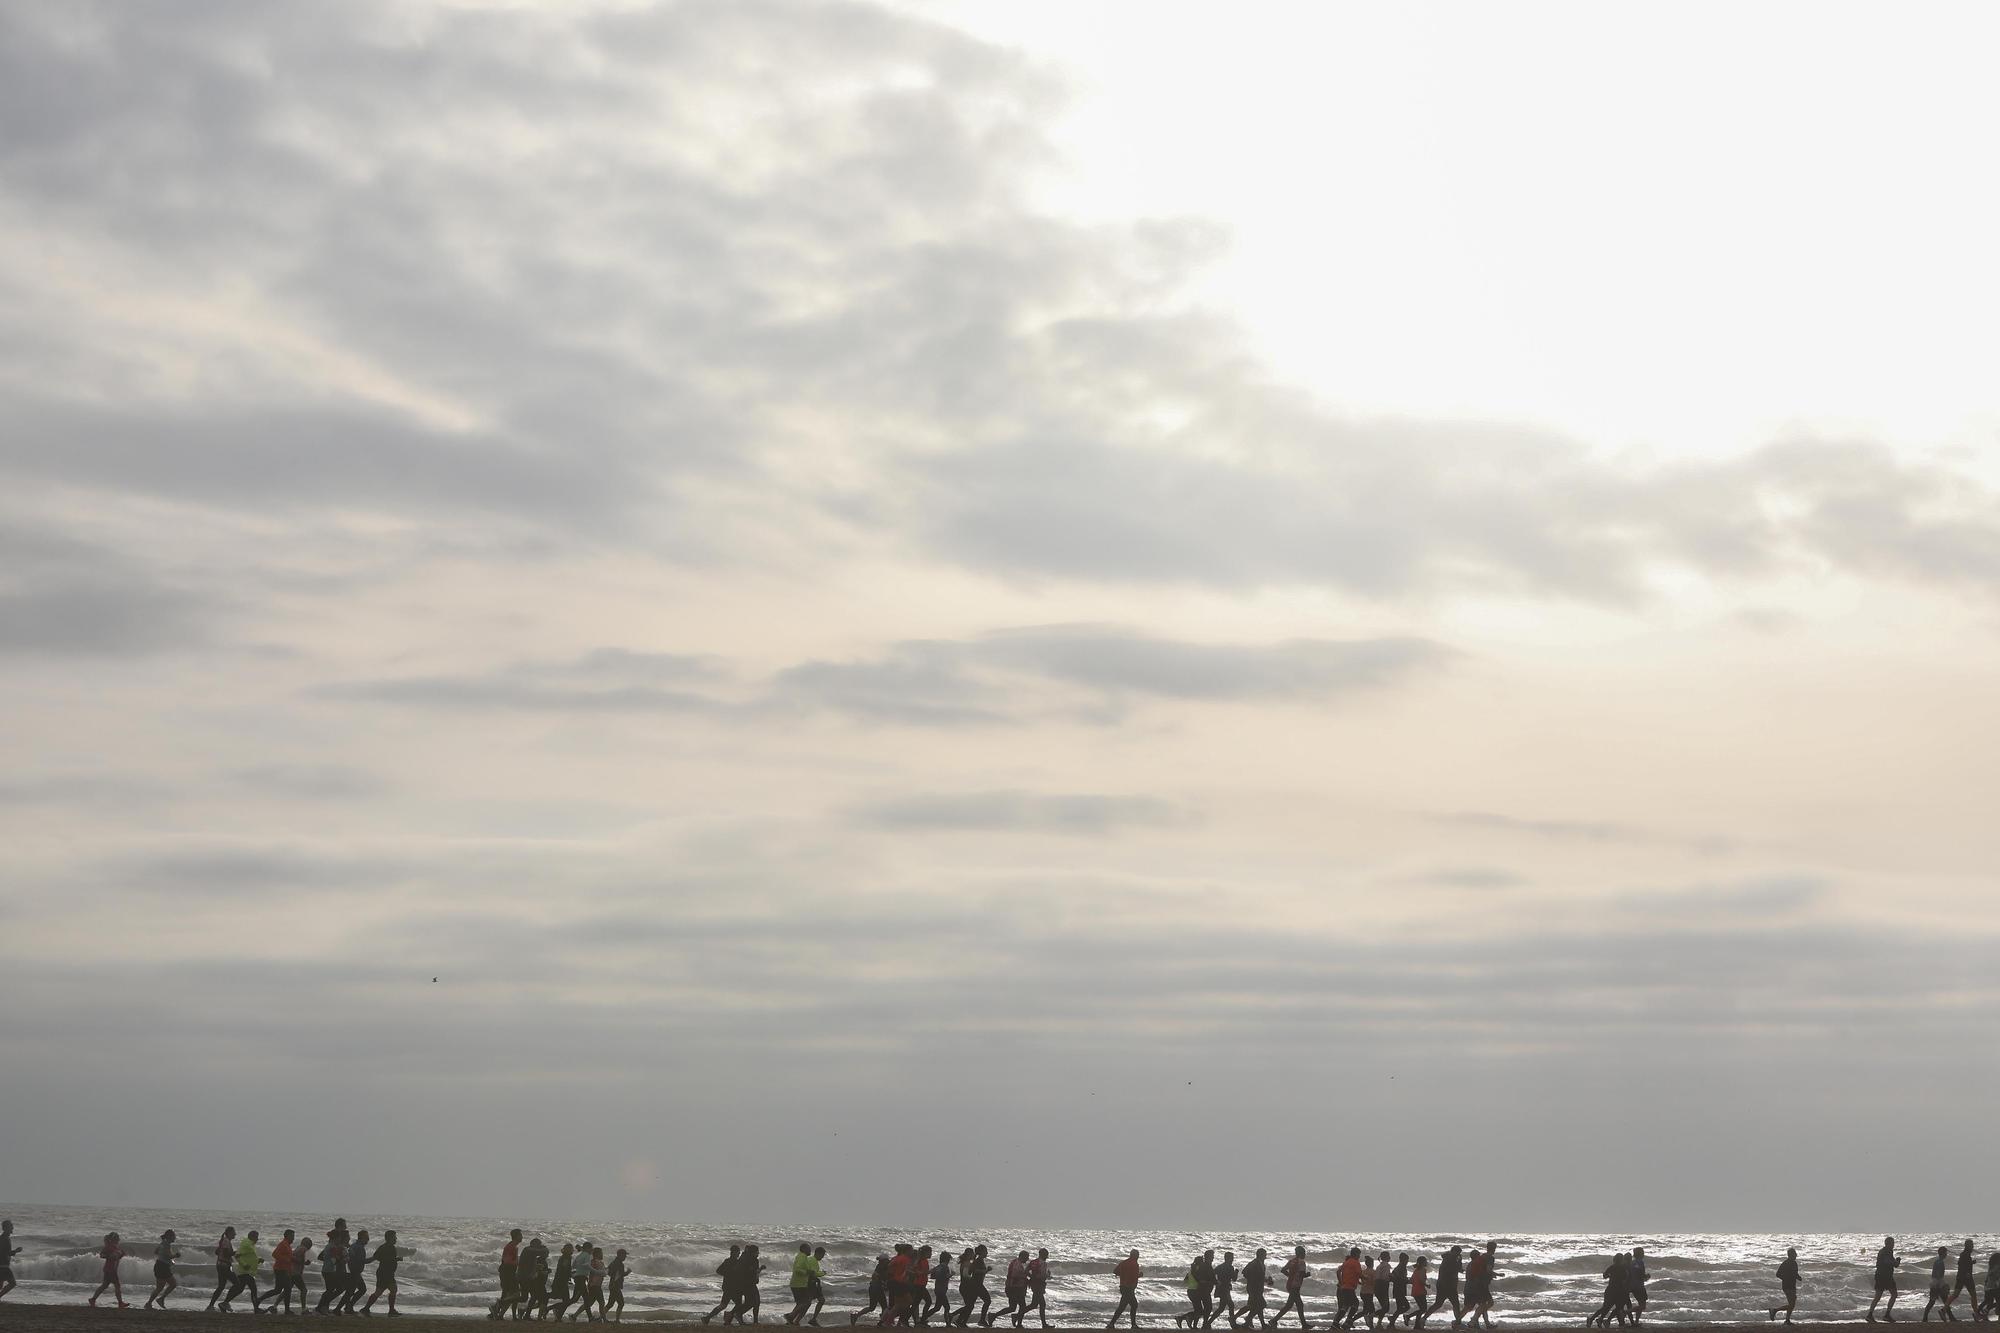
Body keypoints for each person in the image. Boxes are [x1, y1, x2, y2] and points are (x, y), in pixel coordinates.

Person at [362, 1229, 404, 1316]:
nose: (396, 1239)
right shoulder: (389, 1248)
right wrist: (397, 1259)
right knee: (392, 1290)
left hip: (383, 1273)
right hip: (386, 1273)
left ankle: (366, 1308)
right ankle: (390, 1311)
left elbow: (376, 1257)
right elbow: (387, 1260)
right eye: (394, 1237)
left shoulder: (383, 1247)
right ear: (389, 1238)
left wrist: (365, 1261)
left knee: (380, 1292)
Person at [223, 1229, 263, 1312]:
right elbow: (237, 1256)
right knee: (253, 1289)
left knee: (239, 1289)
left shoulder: (250, 1244)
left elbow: (248, 1257)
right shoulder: (247, 1244)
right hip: (245, 1272)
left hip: (246, 1272)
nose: (257, 1239)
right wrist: (244, 1265)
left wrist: (258, 1260)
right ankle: (256, 1309)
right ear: (252, 1237)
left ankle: (224, 1303)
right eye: (256, 1237)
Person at [257, 1229, 296, 1313]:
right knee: (287, 1289)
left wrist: (294, 1260)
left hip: (284, 1270)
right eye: (292, 1236)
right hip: (281, 1269)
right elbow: (274, 1254)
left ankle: (259, 1300)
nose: (293, 1238)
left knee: (278, 1290)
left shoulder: (287, 1245)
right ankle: (287, 1310)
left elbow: (288, 1257)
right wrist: (286, 1260)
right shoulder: (283, 1244)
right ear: (288, 1236)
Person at [1273, 1246, 1312, 1330]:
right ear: (1301, 1253)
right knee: (1292, 1305)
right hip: (1295, 1286)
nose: (1305, 1254)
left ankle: (1304, 1324)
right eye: (1304, 1253)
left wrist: (1290, 1276)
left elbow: (1283, 1270)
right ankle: (1273, 1320)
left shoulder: (1292, 1261)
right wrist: (1307, 1275)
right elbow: (1302, 1274)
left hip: (1289, 1285)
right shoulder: (1301, 1262)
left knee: (1295, 1305)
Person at [88, 1231, 129, 1308]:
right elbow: (101, 1255)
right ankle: (120, 1303)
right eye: (117, 1238)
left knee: (104, 1285)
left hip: (110, 1269)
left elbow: (118, 1256)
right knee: (117, 1285)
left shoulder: (115, 1247)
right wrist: (110, 1256)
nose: (118, 1240)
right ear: (114, 1239)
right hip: (111, 1269)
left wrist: (121, 1254)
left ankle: (93, 1299)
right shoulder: (109, 1247)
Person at [1588, 1252, 1630, 1328]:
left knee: (1606, 1307)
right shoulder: (1623, 1269)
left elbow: (1604, 1276)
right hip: (1618, 1290)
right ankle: (1609, 1321)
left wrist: (1610, 1275)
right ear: (1621, 1260)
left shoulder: (1612, 1267)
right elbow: (1625, 1279)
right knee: (1618, 1307)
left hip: (1610, 1289)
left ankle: (1594, 1319)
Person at [955, 1246, 991, 1330]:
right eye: (986, 1251)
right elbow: (973, 1271)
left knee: (970, 1306)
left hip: (975, 1285)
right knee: (987, 1301)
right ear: (981, 1252)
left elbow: (972, 1272)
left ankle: (960, 1321)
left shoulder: (978, 1260)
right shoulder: (978, 1261)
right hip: (977, 1285)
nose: (987, 1253)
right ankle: (981, 1320)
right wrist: (985, 1271)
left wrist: (984, 1272)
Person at [491, 1229, 525, 1320]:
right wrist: (519, 1263)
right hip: (507, 1273)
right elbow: (507, 1261)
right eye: (520, 1235)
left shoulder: (513, 1246)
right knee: (515, 1295)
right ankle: (498, 1307)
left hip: (509, 1272)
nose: (522, 1237)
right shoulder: (511, 1247)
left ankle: (500, 1314)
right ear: (516, 1236)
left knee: (509, 1295)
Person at [339, 1229, 373, 1316]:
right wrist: (374, 1258)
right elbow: (362, 1261)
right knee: (361, 1289)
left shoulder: (353, 1246)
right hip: (355, 1272)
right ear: (361, 1238)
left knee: (352, 1290)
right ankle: (346, 1307)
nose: (368, 1239)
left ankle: (348, 1306)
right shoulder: (360, 1248)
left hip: (352, 1270)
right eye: (366, 1237)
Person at [1423, 1248, 1461, 1328]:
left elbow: (1455, 1269)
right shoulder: (1451, 1259)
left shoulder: (1447, 1258)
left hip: (1442, 1284)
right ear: (1454, 1252)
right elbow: (1456, 1269)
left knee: (1438, 1304)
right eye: (1458, 1253)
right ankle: (1457, 1323)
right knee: (1455, 1304)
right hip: (1448, 1285)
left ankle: (1423, 1319)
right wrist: (1460, 1261)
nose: (1458, 1255)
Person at [145, 1230, 181, 1309]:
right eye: (174, 1236)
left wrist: (162, 1255)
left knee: (160, 1287)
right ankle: (160, 1299)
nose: (175, 1237)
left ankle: (150, 1303)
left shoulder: (163, 1243)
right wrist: (176, 1255)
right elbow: (169, 1256)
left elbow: (156, 1251)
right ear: (169, 1236)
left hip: (159, 1265)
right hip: (163, 1267)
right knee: (173, 1284)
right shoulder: (167, 1244)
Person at [709, 1247, 745, 1325]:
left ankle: (707, 1318)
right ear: (734, 1252)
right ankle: (729, 1320)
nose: (739, 1254)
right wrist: (729, 1274)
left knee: (723, 1305)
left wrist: (728, 1274)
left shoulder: (729, 1261)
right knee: (738, 1305)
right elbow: (719, 1271)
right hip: (732, 1287)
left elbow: (719, 1271)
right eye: (738, 1252)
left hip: (728, 1287)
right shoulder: (733, 1262)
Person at [1107, 1251, 1142, 1331]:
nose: (1138, 1257)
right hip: (1129, 1288)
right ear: (1135, 1256)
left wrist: (1123, 1274)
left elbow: (1115, 1271)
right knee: (1133, 1305)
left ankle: (1112, 1324)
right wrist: (1140, 1275)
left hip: (1123, 1287)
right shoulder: (1134, 1264)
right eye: (1137, 1255)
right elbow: (1134, 1276)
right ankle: (1132, 1325)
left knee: (1124, 1306)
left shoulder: (1123, 1263)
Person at [1178, 1251, 1214, 1329]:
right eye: (1202, 1261)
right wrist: (1202, 1282)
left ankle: (1192, 1324)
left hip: (1191, 1291)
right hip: (1195, 1291)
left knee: (1198, 1310)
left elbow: (1185, 1280)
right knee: (1200, 1310)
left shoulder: (1192, 1270)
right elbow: (1199, 1280)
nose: (1203, 1262)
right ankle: (1185, 1318)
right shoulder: (1197, 1270)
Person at [206, 1227, 239, 1311]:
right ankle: (225, 1303)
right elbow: (226, 1254)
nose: (235, 1234)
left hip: (220, 1265)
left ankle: (211, 1306)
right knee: (237, 1284)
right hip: (224, 1266)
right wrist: (236, 1252)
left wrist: (228, 1253)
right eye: (234, 1232)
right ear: (229, 1233)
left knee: (221, 1287)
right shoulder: (226, 1241)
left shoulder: (223, 1241)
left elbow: (217, 1252)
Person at [788, 1244, 821, 1325]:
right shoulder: (802, 1257)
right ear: (804, 1249)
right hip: (798, 1284)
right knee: (806, 1302)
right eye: (809, 1249)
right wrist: (807, 1272)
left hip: (801, 1283)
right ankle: (790, 1316)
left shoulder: (803, 1257)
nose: (810, 1250)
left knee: (802, 1303)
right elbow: (797, 1269)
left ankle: (793, 1321)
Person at [318, 1231, 349, 1316]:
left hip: (328, 1270)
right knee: (337, 1289)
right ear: (335, 1238)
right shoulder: (331, 1247)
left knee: (331, 1290)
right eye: (339, 1238)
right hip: (329, 1271)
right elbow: (334, 1261)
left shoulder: (330, 1246)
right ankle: (322, 1307)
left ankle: (321, 1307)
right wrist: (344, 1258)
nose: (340, 1240)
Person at [733, 1244, 765, 1324]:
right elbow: (754, 1272)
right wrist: (761, 1268)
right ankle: (738, 1314)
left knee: (752, 1302)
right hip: (749, 1284)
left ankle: (743, 1317)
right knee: (754, 1302)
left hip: (744, 1284)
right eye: (757, 1252)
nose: (758, 1253)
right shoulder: (753, 1260)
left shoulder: (744, 1258)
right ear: (754, 1252)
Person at [1871, 1239, 1902, 1323]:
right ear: (1889, 1244)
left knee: (1878, 1296)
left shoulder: (1885, 1251)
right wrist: (1897, 1261)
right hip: (1885, 1276)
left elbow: (1893, 1264)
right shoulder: (1887, 1252)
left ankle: (1870, 1315)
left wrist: (1896, 1262)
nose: (1893, 1245)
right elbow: (1889, 1262)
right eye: (1892, 1243)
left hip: (1881, 1275)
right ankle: (1886, 1315)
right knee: (1893, 1294)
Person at [998, 1251, 1031, 1328]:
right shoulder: (1017, 1264)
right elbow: (1015, 1276)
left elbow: (1019, 1275)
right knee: (1022, 1306)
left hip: (1013, 1287)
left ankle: (993, 1315)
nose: (1027, 1259)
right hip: (1015, 1288)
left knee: (1012, 1307)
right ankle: (1019, 1324)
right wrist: (1026, 1279)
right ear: (1022, 1256)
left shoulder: (1015, 1262)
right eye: (1027, 1257)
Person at [1242, 1249, 1271, 1331]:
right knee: (1262, 1305)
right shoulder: (1254, 1263)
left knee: (1257, 1306)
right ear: (1260, 1255)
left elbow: (1260, 1277)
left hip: (1258, 1288)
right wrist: (1252, 1280)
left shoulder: (1261, 1264)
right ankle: (1247, 1320)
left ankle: (1262, 1324)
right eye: (1265, 1254)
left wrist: (1267, 1280)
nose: (1266, 1256)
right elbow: (1244, 1272)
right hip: (1254, 1288)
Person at [1208, 1251, 1237, 1330]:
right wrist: (1236, 1272)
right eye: (1231, 1258)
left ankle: (1208, 1323)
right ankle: (1233, 1323)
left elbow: (1212, 1273)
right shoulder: (1230, 1267)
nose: (1232, 1259)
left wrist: (1216, 1281)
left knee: (1221, 1308)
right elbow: (1234, 1279)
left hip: (1221, 1288)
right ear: (1228, 1258)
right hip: (1225, 1289)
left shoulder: (1220, 1266)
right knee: (1231, 1305)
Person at [1770, 1248, 1801, 1324]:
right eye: (1795, 1254)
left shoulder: (1794, 1263)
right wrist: (1786, 1278)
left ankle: (1787, 1320)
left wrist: (1798, 1277)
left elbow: (1795, 1273)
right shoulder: (1785, 1263)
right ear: (1791, 1255)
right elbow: (1778, 1274)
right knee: (1792, 1304)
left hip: (1792, 1285)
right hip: (1787, 1286)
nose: (1796, 1255)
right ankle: (1774, 1310)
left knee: (1792, 1304)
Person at [1337, 1249, 1364, 1330]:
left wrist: (1341, 1281)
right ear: (1355, 1254)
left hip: (1344, 1287)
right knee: (1355, 1303)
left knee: (1346, 1305)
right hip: (1349, 1288)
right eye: (1359, 1254)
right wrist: (1367, 1278)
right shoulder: (1356, 1262)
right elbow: (1359, 1274)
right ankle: (1346, 1321)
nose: (1359, 1256)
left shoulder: (1346, 1262)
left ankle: (1339, 1322)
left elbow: (1338, 1271)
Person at [1925, 1247, 1954, 1323]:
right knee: (1940, 1301)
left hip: (1935, 1283)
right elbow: (1938, 1274)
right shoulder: (1940, 1262)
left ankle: (1925, 1318)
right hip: (1937, 1284)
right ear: (1943, 1253)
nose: (1946, 1254)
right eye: (1945, 1253)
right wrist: (1940, 1285)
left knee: (1934, 1301)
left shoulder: (1937, 1261)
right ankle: (1951, 1317)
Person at [1950, 1243, 1979, 1321]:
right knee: (1973, 1295)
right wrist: (1967, 1273)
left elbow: (1961, 1264)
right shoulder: (1965, 1255)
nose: (1973, 1247)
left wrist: (1971, 1262)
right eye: (1972, 1246)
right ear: (1968, 1246)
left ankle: (1944, 1310)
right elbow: (1962, 1265)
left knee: (1955, 1294)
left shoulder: (1964, 1254)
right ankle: (1976, 1314)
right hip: (1967, 1278)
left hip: (1960, 1277)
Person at [927, 1248, 954, 1326]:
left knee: (937, 1307)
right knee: (947, 1307)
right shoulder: (945, 1267)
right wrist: (951, 1274)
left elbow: (932, 1276)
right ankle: (948, 1324)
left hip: (937, 1288)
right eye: (949, 1259)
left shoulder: (938, 1266)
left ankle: (923, 1318)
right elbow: (945, 1277)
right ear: (947, 1259)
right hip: (942, 1289)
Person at [0, 1219, 18, 1302]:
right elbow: (7, 1253)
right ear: (6, 1228)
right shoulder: (5, 1239)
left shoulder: (3, 1238)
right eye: (11, 1226)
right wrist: (16, 1251)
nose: (12, 1228)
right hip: (3, 1266)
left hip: (2, 1265)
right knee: (12, 1283)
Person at [1374, 1254, 1394, 1330]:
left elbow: (1378, 1277)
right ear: (1387, 1258)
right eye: (1389, 1256)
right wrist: (1391, 1277)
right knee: (1386, 1308)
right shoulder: (1387, 1266)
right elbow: (1385, 1278)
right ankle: (1372, 1315)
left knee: (1384, 1307)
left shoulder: (1378, 1266)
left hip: (1377, 1287)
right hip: (1383, 1287)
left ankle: (1379, 1323)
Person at [1389, 1255, 1409, 1329]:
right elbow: (1402, 1278)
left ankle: (1392, 1322)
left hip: (1397, 1289)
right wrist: (1408, 1280)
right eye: (1407, 1260)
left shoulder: (1397, 1268)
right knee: (1406, 1306)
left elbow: (1392, 1277)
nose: (1407, 1262)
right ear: (1403, 1260)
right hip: (1399, 1290)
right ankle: (1392, 1319)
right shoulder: (1401, 1268)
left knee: (1399, 1307)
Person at [1409, 1257, 1428, 1331]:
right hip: (1420, 1291)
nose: (1426, 1263)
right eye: (1425, 1261)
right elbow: (1421, 1280)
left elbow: (1410, 1281)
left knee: (1421, 1309)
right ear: (1423, 1262)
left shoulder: (1416, 1271)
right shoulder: (1423, 1270)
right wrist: (1427, 1285)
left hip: (1414, 1291)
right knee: (1423, 1309)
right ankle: (1408, 1316)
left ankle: (1416, 1326)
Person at [1629, 1250, 1647, 1323]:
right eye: (1642, 1252)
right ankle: (1625, 1312)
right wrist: (1646, 1276)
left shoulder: (1632, 1262)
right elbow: (1641, 1274)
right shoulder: (1640, 1262)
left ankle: (1636, 1321)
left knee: (1640, 1304)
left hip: (1633, 1286)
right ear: (1640, 1254)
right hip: (1639, 1286)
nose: (1643, 1254)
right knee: (1643, 1306)